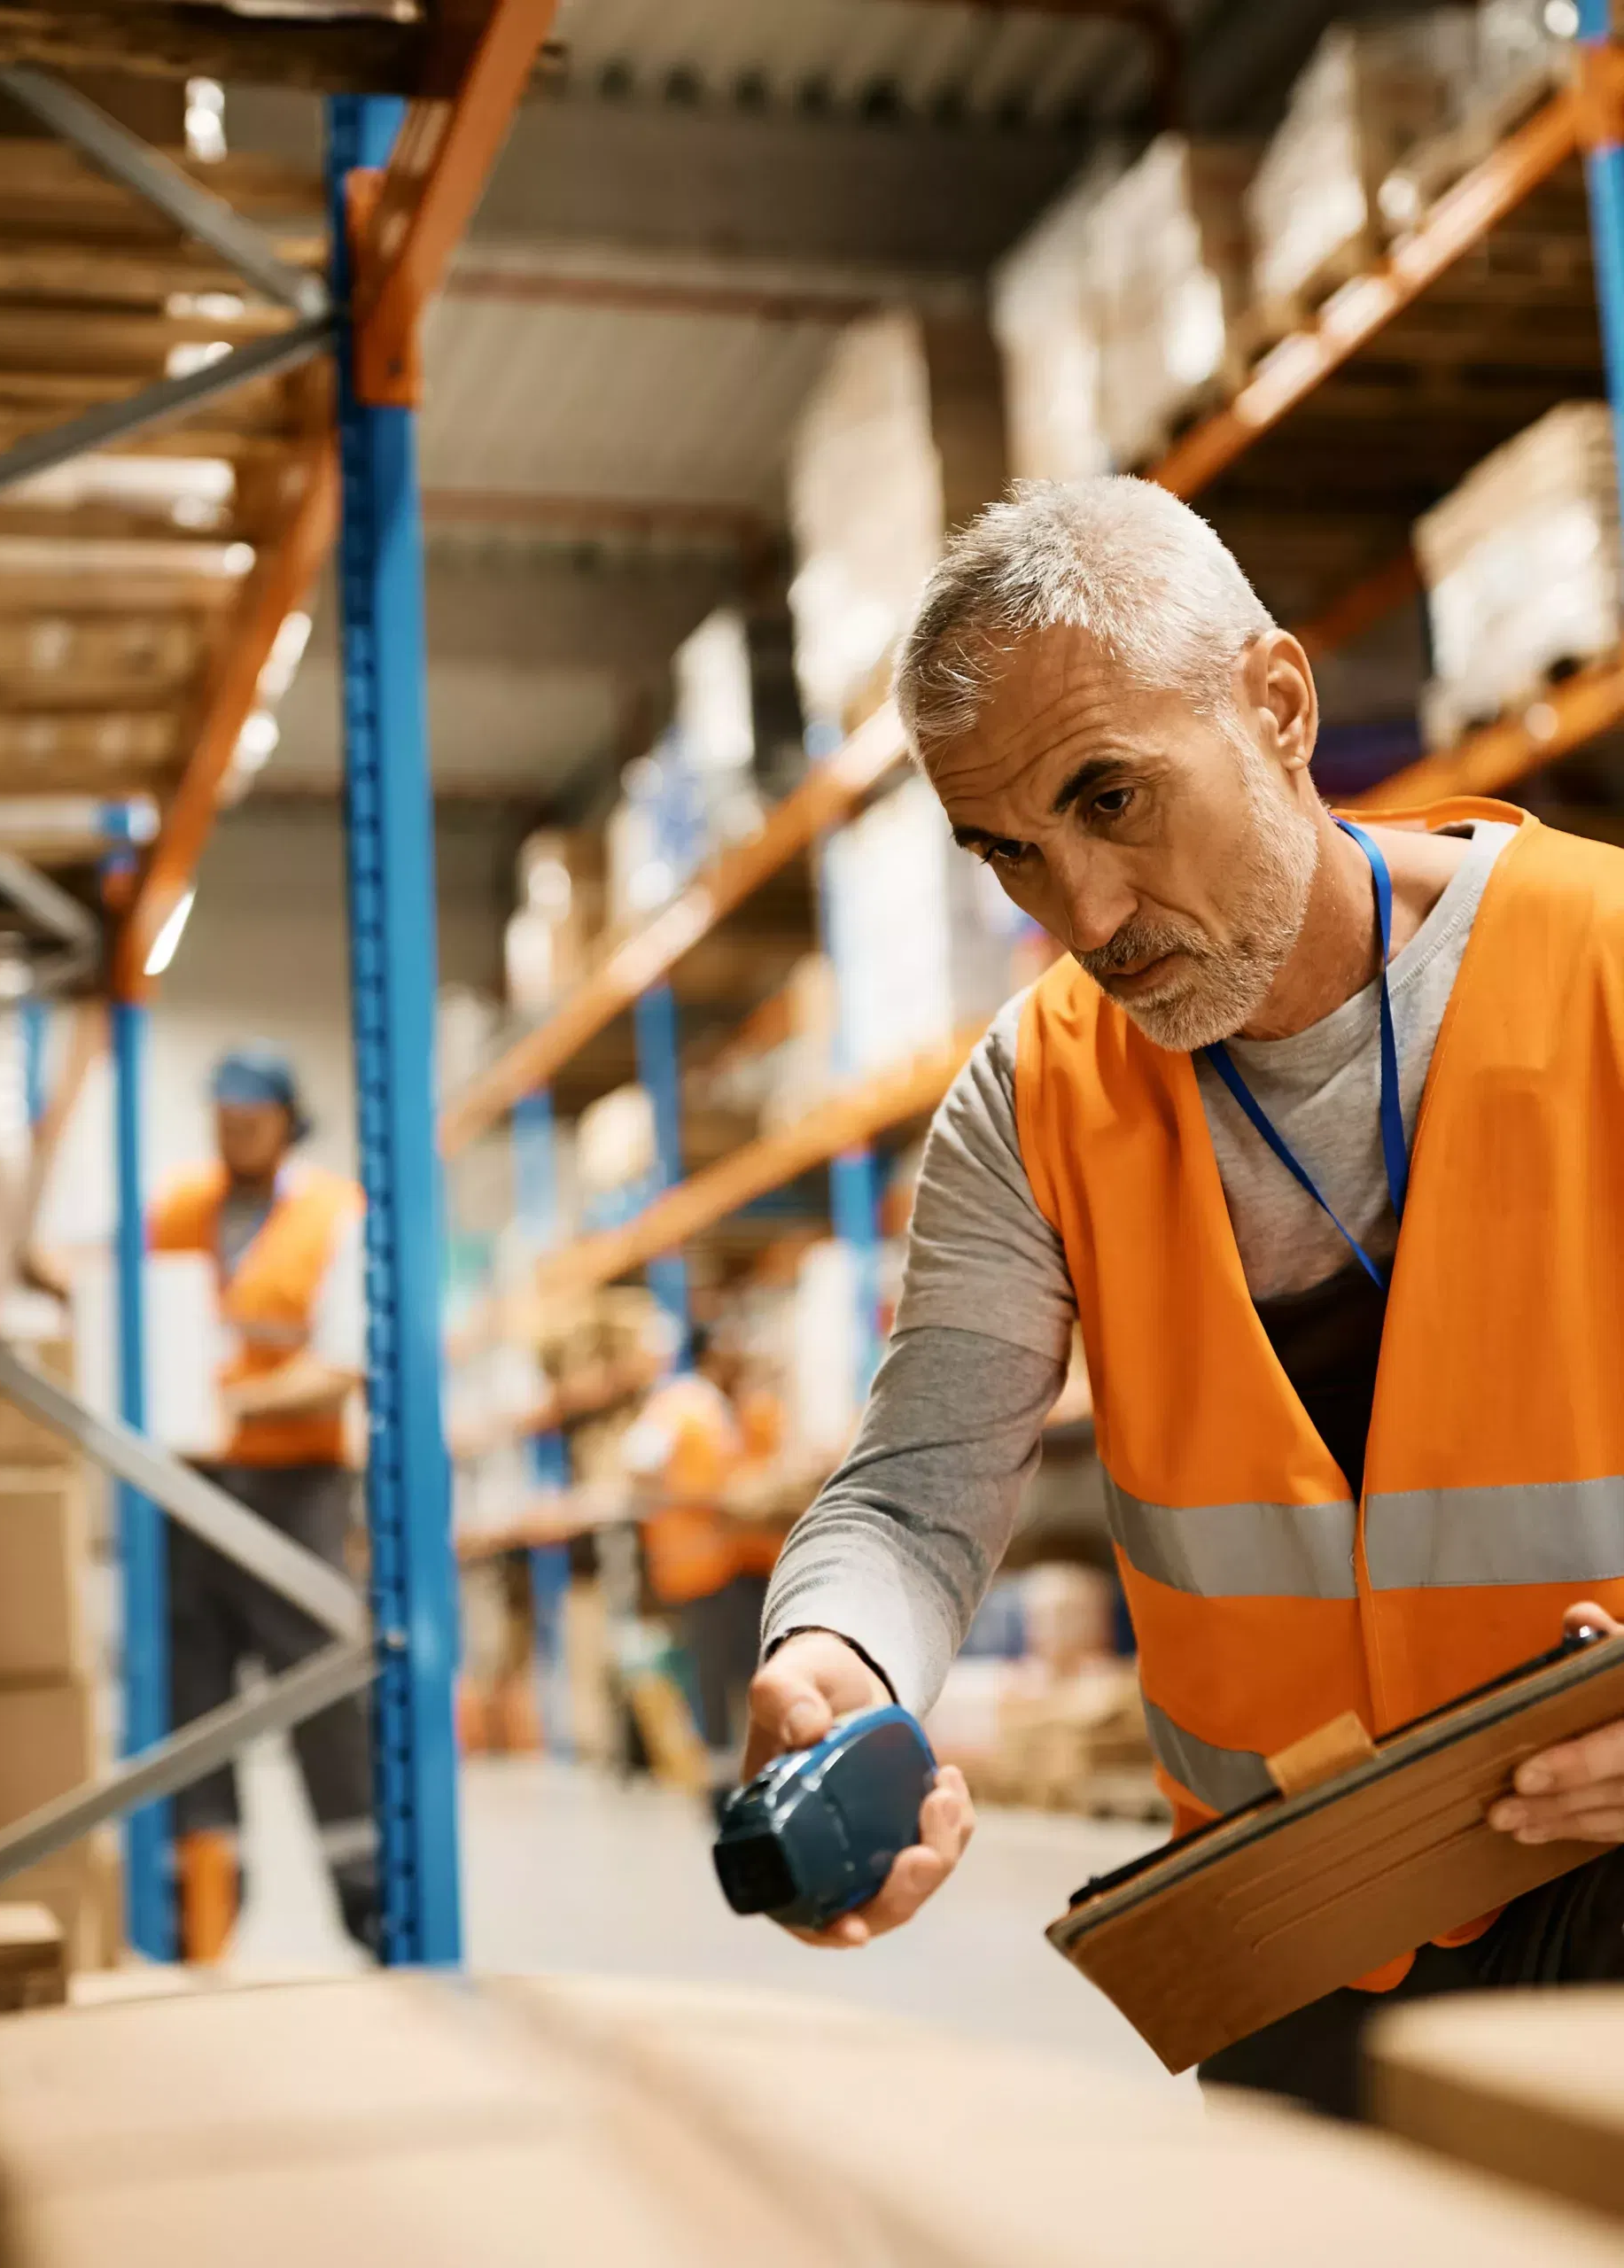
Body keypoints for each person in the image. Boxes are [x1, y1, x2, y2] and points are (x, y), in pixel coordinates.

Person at [745, 474, 1624, 2120]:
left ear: (1277, 703)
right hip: (1290, 1932)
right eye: (1012, 853)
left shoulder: (1609, 969)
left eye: (1113, 800)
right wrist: (837, 1657)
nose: (1081, 916)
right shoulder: (1036, 1101)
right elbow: (919, 1484)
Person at [148, 1044, 380, 1960]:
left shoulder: (333, 1214)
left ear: (287, 1117)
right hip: (190, 1489)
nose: (234, 1127)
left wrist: (218, 1400)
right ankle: (197, 1910)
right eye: (222, 1112)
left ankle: (368, 1899)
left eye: (251, 1113)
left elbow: (340, 1367)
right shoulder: (172, 1208)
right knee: (191, 1698)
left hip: (296, 1492)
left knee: (321, 1691)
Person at [621, 1329, 767, 1765]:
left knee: (729, 1672)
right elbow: (638, 1463)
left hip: (719, 1561)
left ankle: (733, 1771)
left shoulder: (706, 1405)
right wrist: (687, 1499)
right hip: (696, 1563)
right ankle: (722, 1782)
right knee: (714, 1678)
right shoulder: (684, 1403)